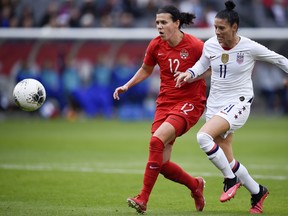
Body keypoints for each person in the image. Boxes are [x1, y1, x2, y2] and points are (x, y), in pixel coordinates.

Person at [175, 1, 288, 214]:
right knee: (228, 157)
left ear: (234, 28)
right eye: (215, 27)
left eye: (221, 28)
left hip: (239, 103)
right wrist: (188, 74)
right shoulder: (210, 45)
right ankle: (257, 191)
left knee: (202, 137)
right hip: (215, 104)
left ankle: (230, 179)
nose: (217, 32)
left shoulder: (249, 47)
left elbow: (279, 59)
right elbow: (201, 65)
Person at [113, 5, 207, 214]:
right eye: (157, 22)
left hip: (190, 103)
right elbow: (146, 68)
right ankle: (195, 185)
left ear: (177, 23)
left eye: (164, 22)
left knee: (156, 141)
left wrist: (192, 75)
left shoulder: (196, 46)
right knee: (162, 164)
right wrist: (127, 85)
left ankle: (143, 198)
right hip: (165, 103)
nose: (159, 26)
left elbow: (210, 69)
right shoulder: (156, 45)